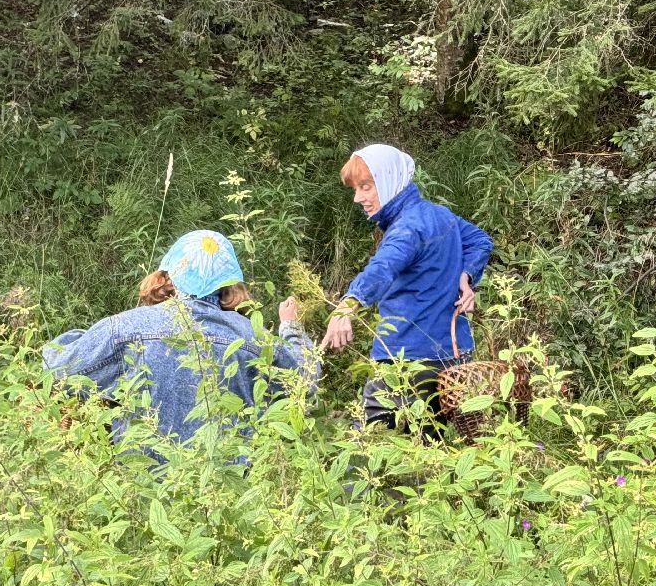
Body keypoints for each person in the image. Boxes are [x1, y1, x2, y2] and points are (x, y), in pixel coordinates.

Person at [43, 230, 318, 451]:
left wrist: (81, 337)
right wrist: (291, 325)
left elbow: (58, 368)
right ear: (230, 283)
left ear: (169, 274)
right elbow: (305, 380)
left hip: (142, 491)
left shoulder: (125, 327)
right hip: (227, 496)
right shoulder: (251, 336)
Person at [320, 144, 493, 431]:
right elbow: (480, 240)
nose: (358, 197)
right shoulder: (438, 215)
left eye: (366, 187)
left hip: (406, 358)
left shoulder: (406, 228)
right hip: (455, 355)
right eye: (355, 188)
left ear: (390, 180)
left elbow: (382, 268)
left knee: (369, 444)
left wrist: (347, 306)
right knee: (434, 443)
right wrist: (467, 275)